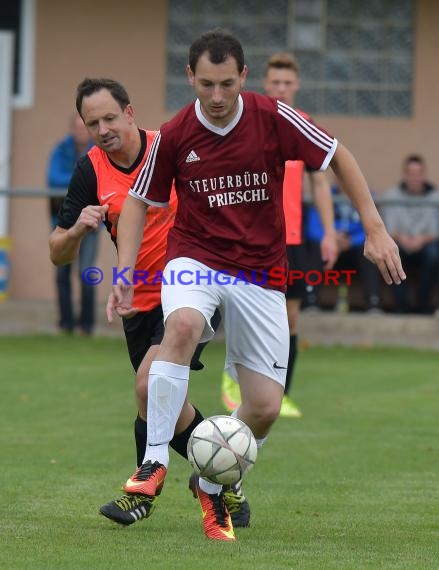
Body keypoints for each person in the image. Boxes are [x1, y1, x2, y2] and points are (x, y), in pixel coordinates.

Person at [110, 29, 405, 542]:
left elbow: (338, 156)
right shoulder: (177, 132)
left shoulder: (271, 117)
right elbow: (138, 200)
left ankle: (210, 480)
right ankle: (152, 465)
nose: (218, 97)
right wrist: (124, 269)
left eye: (227, 84)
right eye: (207, 84)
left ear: (244, 77)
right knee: (180, 324)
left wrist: (374, 229)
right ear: (190, 78)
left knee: (265, 407)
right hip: (195, 259)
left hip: (263, 273)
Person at [48, 78, 248, 530]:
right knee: (168, 406)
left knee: (147, 385)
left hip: (190, 293)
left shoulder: (171, 150)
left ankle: (143, 494)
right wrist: (79, 229)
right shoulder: (90, 170)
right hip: (136, 303)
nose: (102, 129)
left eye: (110, 118)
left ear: (131, 112)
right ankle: (225, 474)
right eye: (92, 122)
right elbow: (56, 252)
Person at [221, 51, 338, 418]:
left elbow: (320, 182)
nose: (282, 88)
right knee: (236, 309)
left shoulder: (303, 124)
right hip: (250, 235)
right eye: (276, 82)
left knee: (289, 318)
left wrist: (329, 233)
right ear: (263, 82)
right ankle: (232, 381)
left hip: (292, 237)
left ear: (297, 85)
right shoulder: (248, 122)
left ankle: (280, 393)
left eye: (288, 83)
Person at [47, 113, 98, 335]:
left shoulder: (97, 151)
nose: (80, 131)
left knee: (87, 272)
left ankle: (86, 325)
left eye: (83, 127)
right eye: (76, 127)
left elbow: (100, 179)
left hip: (90, 225)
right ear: (71, 129)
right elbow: (52, 178)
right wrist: (81, 180)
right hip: (64, 223)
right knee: (62, 272)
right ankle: (66, 323)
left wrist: (78, 182)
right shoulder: (61, 149)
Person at [305, 184, 382, 312]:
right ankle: (311, 300)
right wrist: (332, 237)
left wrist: (351, 241)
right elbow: (312, 229)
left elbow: (374, 228)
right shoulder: (324, 193)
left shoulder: (366, 196)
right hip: (330, 246)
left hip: (355, 247)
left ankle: (373, 302)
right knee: (316, 249)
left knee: (370, 250)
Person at [380, 154, 439, 314]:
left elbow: (436, 232)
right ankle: (402, 306)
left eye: (418, 174)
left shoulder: (436, 197)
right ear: (404, 175)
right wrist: (402, 239)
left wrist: (421, 240)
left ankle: (423, 305)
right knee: (389, 253)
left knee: (434, 254)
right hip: (399, 244)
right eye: (410, 174)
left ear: (423, 175)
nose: (414, 178)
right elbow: (387, 230)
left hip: (426, 246)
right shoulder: (390, 196)